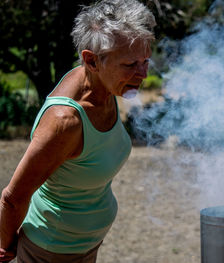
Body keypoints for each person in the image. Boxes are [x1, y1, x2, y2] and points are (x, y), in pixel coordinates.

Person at [0, 0, 156, 262]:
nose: (143, 73)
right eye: (130, 65)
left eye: (146, 61)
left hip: (83, 247)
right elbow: (13, 198)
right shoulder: (65, 122)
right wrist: (4, 246)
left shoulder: (105, 85)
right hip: (51, 251)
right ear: (91, 61)